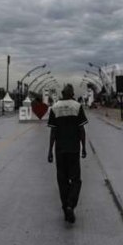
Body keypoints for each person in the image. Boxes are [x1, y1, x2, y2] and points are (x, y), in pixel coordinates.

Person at [47, 84, 88, 224]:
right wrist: (84, 148)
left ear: (62, 93)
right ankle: (70, 205)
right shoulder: (77, 106)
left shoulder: (55, 107)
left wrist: (50, 151)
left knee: (62, 180)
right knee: (76, 180)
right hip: (74, 149)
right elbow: (81, 130)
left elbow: (53, 132)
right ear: (72, 94)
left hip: (60, 151)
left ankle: (66, 208)